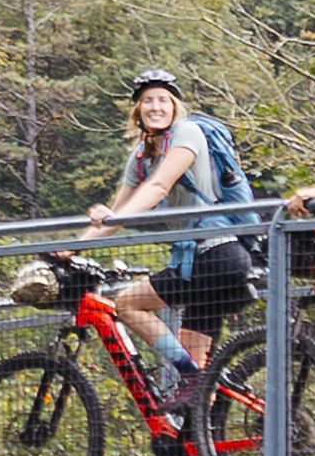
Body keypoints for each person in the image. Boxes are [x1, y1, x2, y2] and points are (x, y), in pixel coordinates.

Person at [91, 68, 261, 399]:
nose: (155, 107)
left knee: (126, 305)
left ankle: (192, 379)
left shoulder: (189, 133)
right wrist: (69, 249)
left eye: (163, 100)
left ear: (175, 106)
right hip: (200, 263)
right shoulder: (140, 158)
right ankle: (204, 444)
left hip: (217, 254)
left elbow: (158, 186)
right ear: (137, 111)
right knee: (196, 381)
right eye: (147, 101)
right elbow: (115, 218)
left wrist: (114, 216)